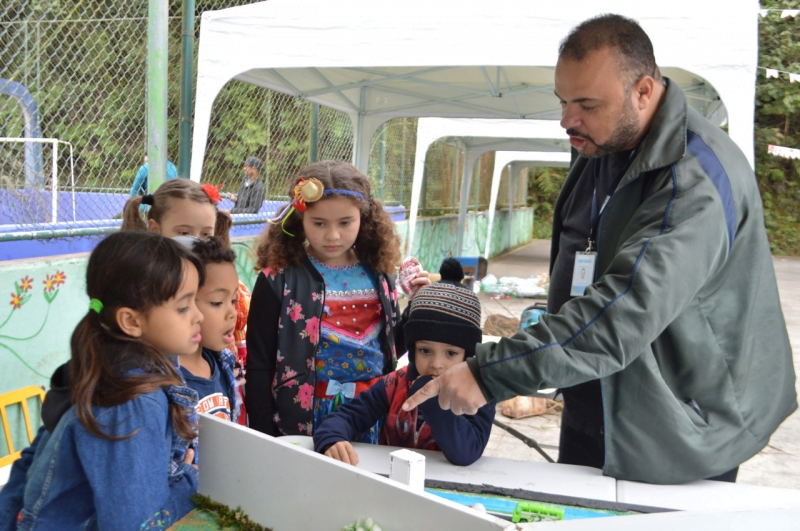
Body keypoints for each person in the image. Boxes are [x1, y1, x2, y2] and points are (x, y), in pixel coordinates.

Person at [403, 14, 797, 485]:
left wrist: (490, 374)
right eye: (563, 101)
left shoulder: (694, 180)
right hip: (591, 387)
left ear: (644, 92)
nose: (568, 119)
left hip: (681, 419)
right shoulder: (600, 142)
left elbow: (623, 313)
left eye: (586, 104)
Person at [0, 231, 204, 529]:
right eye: (184, 307)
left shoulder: (108, 362)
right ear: (131, 322)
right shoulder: (130, 402)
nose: (198, 315)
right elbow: (137, 525)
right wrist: (188, 484)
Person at [245, 160, 430, 438]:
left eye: (345, 223)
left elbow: (393, 348)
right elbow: (259, 364)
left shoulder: (380, 275)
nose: (332, 236)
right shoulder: (277, 280)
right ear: (300, 218)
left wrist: (418, 305)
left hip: (371, 419)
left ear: (363, 217)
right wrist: (262, 437)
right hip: (301, 428)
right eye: (318, 223)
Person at [314, 258, 494, 467]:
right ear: (412, 349)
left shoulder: (477, 393)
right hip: (394, 486)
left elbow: (466, 452)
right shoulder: (394, 386)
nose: (436, 364)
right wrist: (332, 438)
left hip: (448, 492)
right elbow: (347, 416)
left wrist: (431, 398)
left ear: (467, 354)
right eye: (425, 350)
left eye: (451, 353)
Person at [122, 179, 251, 426]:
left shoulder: (219, 281)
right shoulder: (137, 292)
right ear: (155, 230)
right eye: (183, 233)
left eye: (205, 234)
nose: (195, 243)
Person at [175, 237, 242, 423]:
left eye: (234, 301)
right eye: (217, 302)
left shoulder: (225, 363)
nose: (232, 313)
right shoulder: (163, 381)